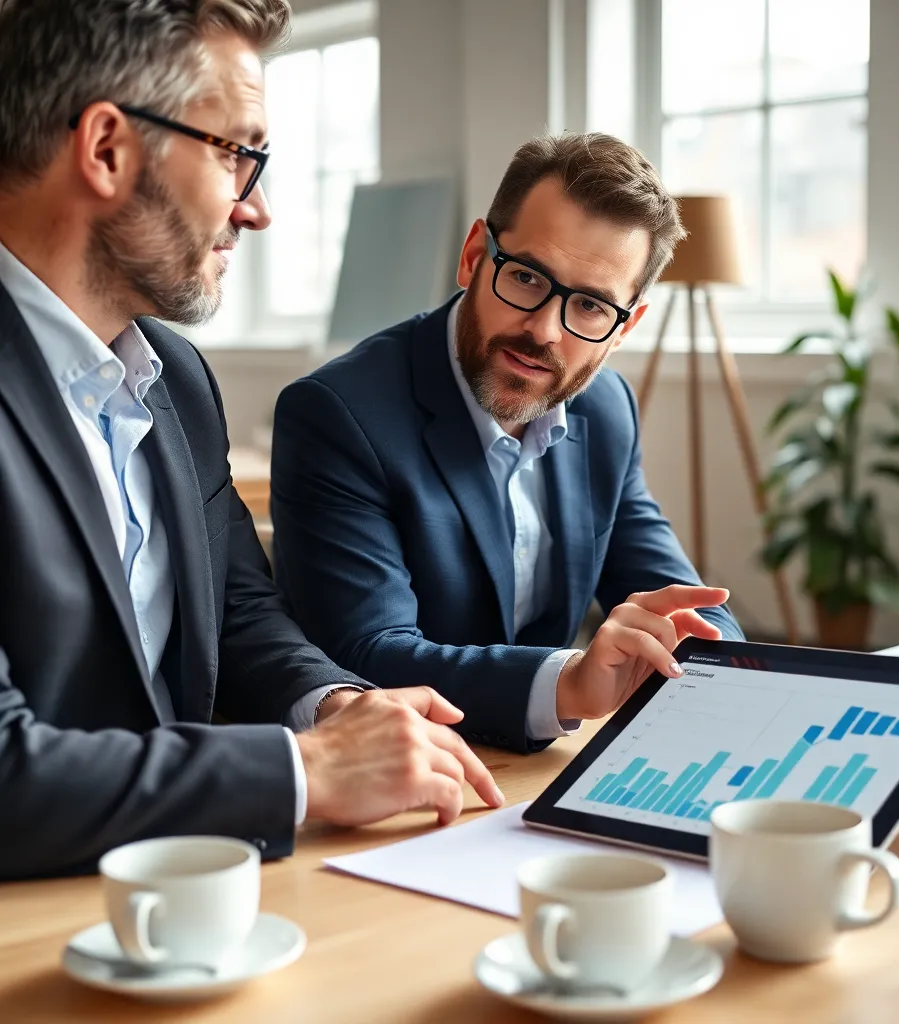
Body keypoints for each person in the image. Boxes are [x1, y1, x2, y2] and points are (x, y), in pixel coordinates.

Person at [0, 0, 502, 882]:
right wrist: (311, 771)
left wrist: (339, 707)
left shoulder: (177, 380)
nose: (257, 208)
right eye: (237, 152)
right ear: (107, 148)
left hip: (177, 896)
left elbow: (236, 611)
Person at [271, 133, 744, 756]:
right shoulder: (339, 413)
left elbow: (680, 602)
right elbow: (365, 654)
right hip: (395, 774)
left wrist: (731, 673)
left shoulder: (606, 409)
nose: (543, 330)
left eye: (592, 307)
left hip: (540, 768)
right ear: (473, 255)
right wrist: (568, 684)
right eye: (525, 277)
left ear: (625, 327)